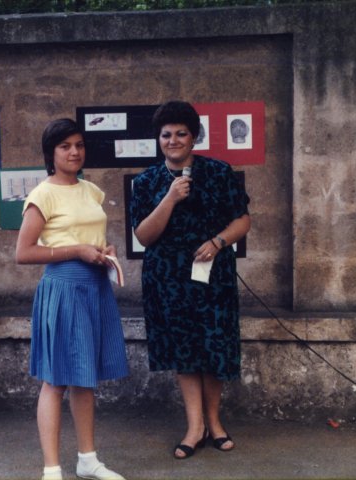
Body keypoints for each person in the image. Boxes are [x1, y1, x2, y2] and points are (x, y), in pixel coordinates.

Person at [129, 101, 251, 460]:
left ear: (194, 136)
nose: (173, 140)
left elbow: (243, 220)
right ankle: (194, 425)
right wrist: (169, 197)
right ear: (159, 138)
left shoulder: (218, 172)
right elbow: (144, 236)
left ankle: (215, 422)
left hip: (213, 274)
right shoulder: (148, 181)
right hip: (168, 278)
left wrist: (217, 242)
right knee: (185, 351)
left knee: (214, 347)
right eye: (166, 134)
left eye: (181, 133)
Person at [16, 118, 129, 480]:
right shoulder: (42, 194)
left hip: (94, 287)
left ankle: (88, 460)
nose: (74, 152)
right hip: (63, 289)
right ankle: (52, 468)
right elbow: (24, 252)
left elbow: (91, 235)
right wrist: (77, 251)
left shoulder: (91, 191)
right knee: (56, 379)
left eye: (79, 145)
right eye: (65, 146)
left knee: (86, 377)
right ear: (51, 152)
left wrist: (103, 249)